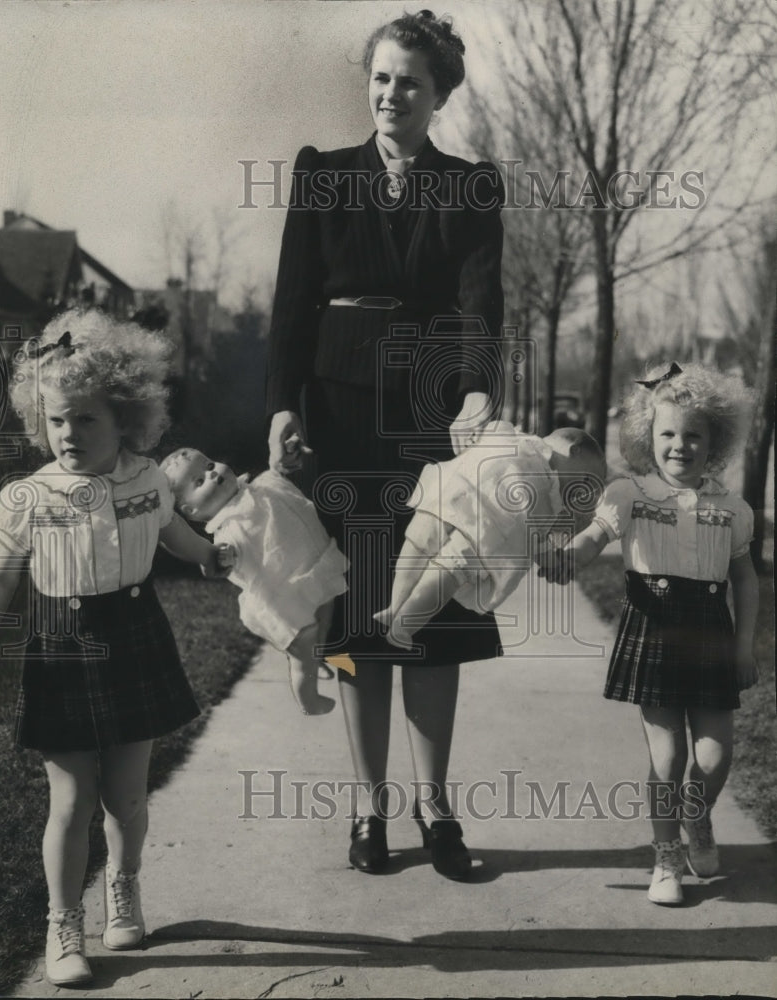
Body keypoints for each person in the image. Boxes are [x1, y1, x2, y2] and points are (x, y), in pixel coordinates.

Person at [267, 9, 506, 879]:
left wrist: (479, 386)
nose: (391, 93)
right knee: (358, 620)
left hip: (429, 425)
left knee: (433, 620)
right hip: (337, 420)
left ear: (438, 93)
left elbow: (483, 308)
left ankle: (435, 809)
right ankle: (368, 815)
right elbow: (291, 306)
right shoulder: (323, 175)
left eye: (409, 80)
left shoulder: (472, 187)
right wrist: (282, 407)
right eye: (379, 77)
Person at [0, 309, 220, 987]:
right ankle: (63, 921)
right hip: (61, 647)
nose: (68, 434)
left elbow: (176, 536)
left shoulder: (148, 482)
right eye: (56, 421)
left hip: (135, 639)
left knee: (127, 798)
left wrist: (212, 556)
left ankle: (124, 885)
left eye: (85, 419)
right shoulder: (31, 498)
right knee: (71, 801)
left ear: (126, 418)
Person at [538, 361, 759, 906]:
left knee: (713, 756)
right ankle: (666, 857)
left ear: (716, 440)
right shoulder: (629, 493)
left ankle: (696, 818)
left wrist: (744, 643)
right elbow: (594, 536)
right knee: (667, 757)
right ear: (647, 435)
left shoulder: (733, 509)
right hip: (653, 627)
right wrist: (569, 557)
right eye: (666, 433)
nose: (679, 445)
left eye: (693, 435)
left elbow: (745, 578)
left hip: (710, 630)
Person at [375, 423, 606, 649]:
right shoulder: (542, 479)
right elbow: (536, 536)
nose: (581, 490)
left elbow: (535, 535)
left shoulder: (515, 440)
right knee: (432, 556)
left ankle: (404, 620)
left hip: (465, 510)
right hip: (468, 510)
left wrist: (551, 559)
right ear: (572, 450)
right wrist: (551, 561)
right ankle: (397, 611)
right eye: (586, 479)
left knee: (434, 559)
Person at [160, 446, 348, 715]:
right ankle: (308, 696)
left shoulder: (258, 487)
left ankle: (316, 657)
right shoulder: (226, 530)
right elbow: (220, 559)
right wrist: (223, 557)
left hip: (311, 569)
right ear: (192, 511)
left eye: (210, 465)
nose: (212, 475)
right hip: (286, 598)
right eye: (199, 482)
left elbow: (279, 479)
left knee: (326, 614)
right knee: (304, 644)